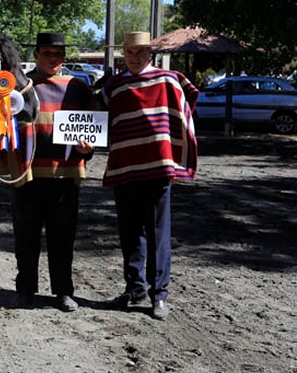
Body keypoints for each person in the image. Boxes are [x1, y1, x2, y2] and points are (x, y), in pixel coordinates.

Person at [99, 31, 199, 320]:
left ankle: (159, 295)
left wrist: (174, 153)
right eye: (129, 52)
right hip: (124, 167)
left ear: (150, 54)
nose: (134, 57)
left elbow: (186, 109)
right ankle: (135, 288)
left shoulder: (168, 81)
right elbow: (96, 115)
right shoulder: (114, 85)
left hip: (157, 168)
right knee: (129, 233)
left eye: (140, 52)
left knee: (157, 234)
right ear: (124, 54)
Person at [0, 32, 95, 312]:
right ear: (36, 55)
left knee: (63, 238)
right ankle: (25, 290)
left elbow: (95, 128)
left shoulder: (79, 87)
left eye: (58, 54)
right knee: (25, 237)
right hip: (27, 175)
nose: (53, 59)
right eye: (47, 53)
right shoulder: (18, 87)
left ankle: (63, 291)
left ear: (64, 58)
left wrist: (89, 150)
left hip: (66, 175)